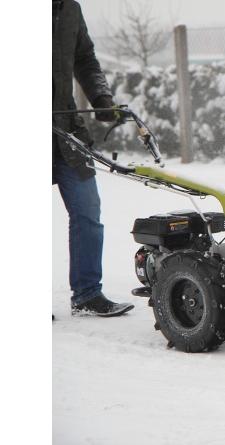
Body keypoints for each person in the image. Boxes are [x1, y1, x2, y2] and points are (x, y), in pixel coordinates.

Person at [53, 0, 134, 317]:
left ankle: (87, 293)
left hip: (66, 127)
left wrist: (102, 99)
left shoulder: (69, 8)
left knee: (88, 209)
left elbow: (84, 59)